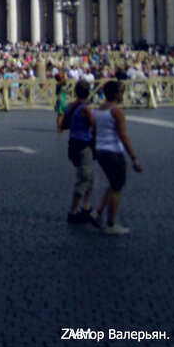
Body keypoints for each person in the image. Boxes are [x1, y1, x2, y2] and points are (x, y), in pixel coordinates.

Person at [93, 79, 142, 235]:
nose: (123, 94)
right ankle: (111, 224)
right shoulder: (117, 112)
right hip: (113, 151)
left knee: (113, 182)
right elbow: (123, 135)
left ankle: (97, 212)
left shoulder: (98, 110)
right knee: (117, 187)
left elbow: (93, 132)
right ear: (116, 94)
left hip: (100, 150)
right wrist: (133, 157)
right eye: (121, 92)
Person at [62, 80, 97, 225]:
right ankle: (73, 212)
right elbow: (94, 126)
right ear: (88, 93)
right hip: (83, 144)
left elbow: (64, 124)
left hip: (73, 143)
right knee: (84, 178)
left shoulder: (70, 106)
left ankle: (86, 207)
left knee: (90, 176)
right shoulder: (85, 109)